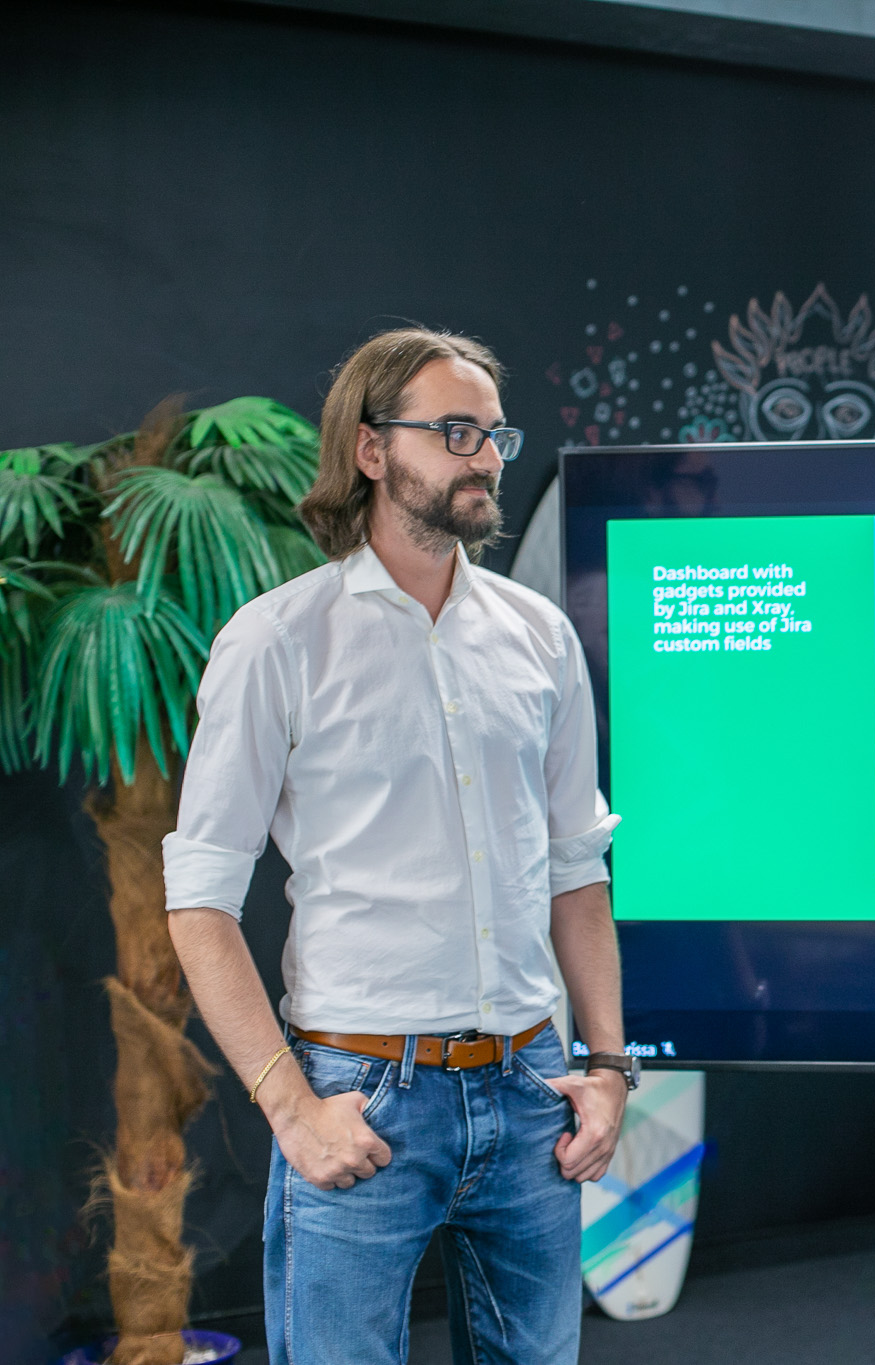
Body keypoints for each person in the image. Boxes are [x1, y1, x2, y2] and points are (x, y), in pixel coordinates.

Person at [164, 328, 637, 1364]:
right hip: (362, 1092)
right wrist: (291, 1109)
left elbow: (575, 869)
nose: (486, 457)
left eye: (495, 433)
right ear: (371, 450)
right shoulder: (278, 640)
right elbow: (199, 899)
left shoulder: (539, 635)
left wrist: (608, 1066)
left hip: (532, 1092)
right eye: (455, 431)